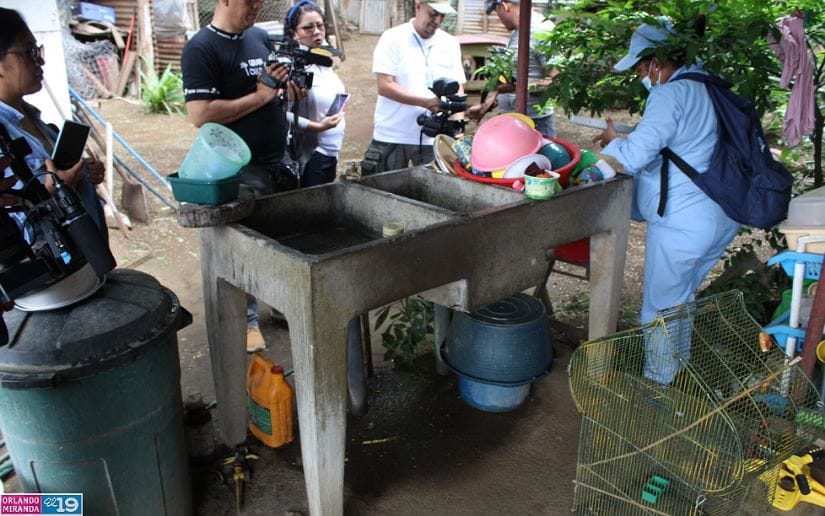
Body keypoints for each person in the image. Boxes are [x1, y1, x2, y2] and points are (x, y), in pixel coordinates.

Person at [591, 19, 739, 384]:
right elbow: (681, 147)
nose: (643, 75)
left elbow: (633, 157)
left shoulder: (670, 93)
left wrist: (612, 141)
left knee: (660, 308)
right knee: (680, 300)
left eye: (643, 67)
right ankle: (677, 371)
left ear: (657, 61)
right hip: (720, 215)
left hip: (684, 223)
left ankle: (659, 389)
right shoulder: (707, 84)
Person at [181, 0, 294, 352]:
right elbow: (201, 114)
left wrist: (285, 91)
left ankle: (279, 302)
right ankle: (247, 321)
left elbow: (270, 90)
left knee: (279, 238)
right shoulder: (201, 48)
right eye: (251, 0)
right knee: (242, 250)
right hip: (236, 169)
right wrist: (261, 97)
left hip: (278, 161)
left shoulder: (259, 37)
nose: (258, 6)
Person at [0, 8, 106, 239]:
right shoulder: (2, 136)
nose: (41, 59)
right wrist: (53, 195)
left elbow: (53, 173)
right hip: (49, 269)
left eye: (37, 49)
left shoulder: (33, 117)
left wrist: (84, 173)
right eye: (28, 52)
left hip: (85, 256)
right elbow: (13, 230)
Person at [362, 0, 466, 174]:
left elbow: (458, 89)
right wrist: (425, 102)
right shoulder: (393, 37)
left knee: (433, 194)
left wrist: (458, 128)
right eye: (433, 13)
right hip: (392, 134)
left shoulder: (450, 43)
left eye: (442, 15)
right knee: (385, 191)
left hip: (434, 138)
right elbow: (385, 85)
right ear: (418, 5)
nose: (438, 20)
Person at [466, 0, 556, 136]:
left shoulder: (542, 30)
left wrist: (516, 88)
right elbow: (510, 80)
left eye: (497, 13)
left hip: (536, 122)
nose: (499, 19)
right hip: (512, 120)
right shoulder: (519, 30)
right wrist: (485, 107)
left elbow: (557, 81)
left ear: (504, 6)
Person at [282, 0, 346, 187]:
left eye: (319, 26)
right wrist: (315, 126)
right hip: (310, 157)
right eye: (308, 28)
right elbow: (281, 114)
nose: (317, 32)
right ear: (294, 33)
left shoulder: (322, 59)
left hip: (331, 152)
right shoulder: (291, 67)